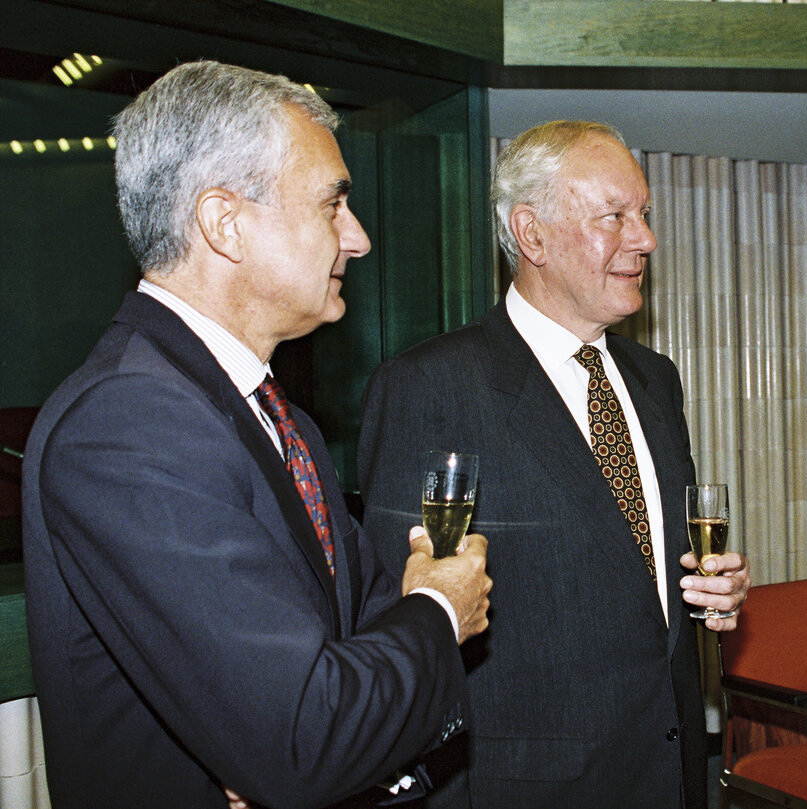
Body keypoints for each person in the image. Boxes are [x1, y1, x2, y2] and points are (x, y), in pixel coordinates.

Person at [21, 60, 492, 809]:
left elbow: (350, 660)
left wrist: (294, 737)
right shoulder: (126, 424)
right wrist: (437, 607)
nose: (359, 237)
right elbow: (306, 733)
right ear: (223, 223)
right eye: (333, 204)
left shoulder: (279, 419)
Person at [358, 120, 751, 809]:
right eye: (615, 217)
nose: (646, 239)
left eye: (646, 214)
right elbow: (403, 632)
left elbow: (644, 574)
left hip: (672, 774)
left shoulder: (655, 378)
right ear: (532, 234)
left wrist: (711, 591)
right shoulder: (431, 386)